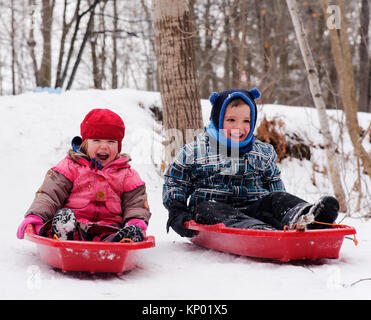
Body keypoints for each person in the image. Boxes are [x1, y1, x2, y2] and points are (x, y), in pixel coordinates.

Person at [163, 88, 339, 237]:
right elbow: (176, 181)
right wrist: (177, 210)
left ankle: (306, 217)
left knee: (276, 199)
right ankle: (256, 230)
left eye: (246, 121)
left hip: (255, 207)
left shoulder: (262, 151)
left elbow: (273, 184)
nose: (239, 127)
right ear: (217, 120)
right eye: (231, 120)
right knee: (207, 209)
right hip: (214, 210)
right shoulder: (195, 150)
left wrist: (279, 208)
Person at [17, 108, 151, 242]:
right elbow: (50, 194)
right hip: (73, 226)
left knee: (118, 234)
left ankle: (120, 242)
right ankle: (62, 235)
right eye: (97, 140)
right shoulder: (70, 167)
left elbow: (135, 204)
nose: (104, 146)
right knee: (63, 220)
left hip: (109, 229)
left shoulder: (127, 175)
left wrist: (136, 222)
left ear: (119, 146)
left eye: (111, 141)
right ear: (85, 144)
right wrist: (36, 216)